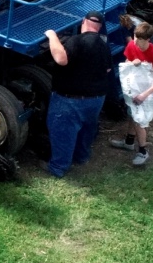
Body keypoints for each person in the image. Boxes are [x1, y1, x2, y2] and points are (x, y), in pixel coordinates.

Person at [43, 11, 112, 178]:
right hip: (96, 99)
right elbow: (108, 69)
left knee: (63, 133)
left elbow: (60, 58)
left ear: (83, 22)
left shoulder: (76, 41)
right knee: (86, 129)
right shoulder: (103, 45)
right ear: (100, 27)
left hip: (69, 100)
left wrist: (52, 36)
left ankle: (58, 168)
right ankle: (82, 157)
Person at [109, 22, 153, 167]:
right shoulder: (132, 45)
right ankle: (129, 141)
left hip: (149, 90)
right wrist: (131, 62)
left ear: (148, 40)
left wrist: (144, 95)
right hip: (136, 87)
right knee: (132, 114)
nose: (136, 43)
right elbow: (128, 61)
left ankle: (143, 150)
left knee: (140, 120)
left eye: (140, 40)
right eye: (135, 38)